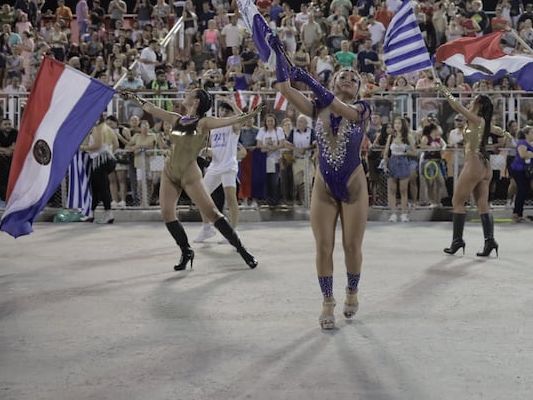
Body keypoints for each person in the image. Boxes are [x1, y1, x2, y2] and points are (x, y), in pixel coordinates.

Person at [272, 30, 371, 331]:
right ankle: (327, 300)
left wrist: (312, 81)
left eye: (353, 78)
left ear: (358, 89)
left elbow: (341, 109)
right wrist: (279, 55)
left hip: (354, 184)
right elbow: (285, 89)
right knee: (323, 245)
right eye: (342, 75)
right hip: (324, 185)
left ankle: (351, 291)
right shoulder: (317, 108)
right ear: (333, 82)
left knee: (351, 246)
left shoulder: (363, 110)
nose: (348, 79)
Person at [119, 87, 261, 271]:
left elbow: (232, 120)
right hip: (170, 172)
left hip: (189, 173)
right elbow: (151, 108)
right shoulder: (175, 118)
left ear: (196, 101)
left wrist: (250, 115)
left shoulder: (204, 122)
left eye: (190, 93)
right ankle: (186, 251)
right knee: (167, 214)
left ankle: (242, 250)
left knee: (213, 213)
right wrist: (133, 97)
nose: (186, 95)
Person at [436, 82, 511, 257]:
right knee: (482, 204)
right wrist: (505, 134)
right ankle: (490, 241)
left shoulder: (475, 119)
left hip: (474, 162)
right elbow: (499, 130)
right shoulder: (483, 122)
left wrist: (444, 90)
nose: (471, 101)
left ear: (479, 106)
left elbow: (456, 106)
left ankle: (457, 241)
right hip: (485, 165)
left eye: (474, 100)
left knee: (457, 201)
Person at [193, 98, 245, 243]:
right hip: (215, 166)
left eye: (227, 110)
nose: (224, 112)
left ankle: (233, 232)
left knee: (231, 199)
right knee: (201, 196)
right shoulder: (214, 126)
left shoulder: (233, 126)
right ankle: (207, 229)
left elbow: (243, 117)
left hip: (228, 166)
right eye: (222, 109)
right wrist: (207, 150)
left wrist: (232, 102)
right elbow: (214, 147)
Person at [80, 114, 119, 224]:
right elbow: (116, 144)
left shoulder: (97, 128)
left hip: (100, 160)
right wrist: (109, 152)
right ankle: (91, 213)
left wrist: (82, 148)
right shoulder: (109, 128)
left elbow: (97, 145)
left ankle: (109, 214)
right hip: (109, 158)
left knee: (102, 188)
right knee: (96, 187)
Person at [383, 115, 417, 222]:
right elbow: (386, 152)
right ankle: (393, 213)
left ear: (403, 125)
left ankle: (404, 213)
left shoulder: (408, 137)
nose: (397, 125)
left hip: (403, 161)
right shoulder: (391, 137)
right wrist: (385, 165)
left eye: (399, 123)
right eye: (395, 123)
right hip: (393, 160)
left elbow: (415, 152)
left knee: (403, 190)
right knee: (392, 190)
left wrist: (404, 149)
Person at [508, 126, 533, 223]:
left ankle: (518, 213)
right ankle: (516, 213)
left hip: (528, 170)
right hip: (518, 169)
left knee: (524, 190)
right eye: (532, 132)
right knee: (521, 189)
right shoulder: (522, 143)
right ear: (526, 134)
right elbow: (523, 155)